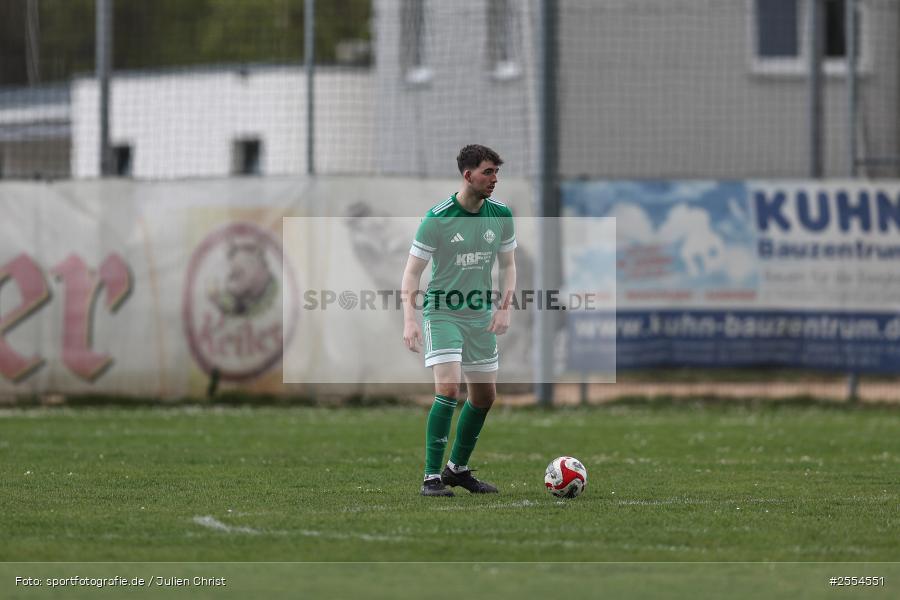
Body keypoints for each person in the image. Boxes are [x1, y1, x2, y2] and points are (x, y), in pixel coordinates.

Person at [401, 144, 517, 497]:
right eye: (488, 172)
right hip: (443, 312)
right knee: (449, 389)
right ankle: (431, 478)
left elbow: (509, 265)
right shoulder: (437, 218)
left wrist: (504, 307)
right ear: (468, 175)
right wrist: (410, 318)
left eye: (496, 172)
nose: (494, 179)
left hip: (480, 314)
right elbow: (411, 274)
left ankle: (457, 470)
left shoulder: (500, 214)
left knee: (484, 396)